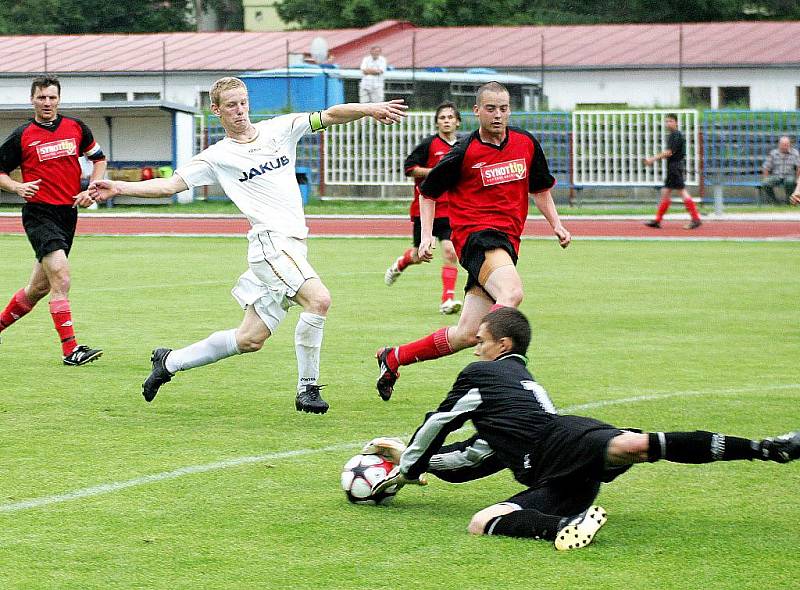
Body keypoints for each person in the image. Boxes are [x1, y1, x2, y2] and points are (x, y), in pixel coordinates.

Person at [89, 76, 407, 413]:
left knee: (249, 339)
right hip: (269, 245)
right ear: (216, 111)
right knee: (319, 300)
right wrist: (121, 189)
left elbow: (330, 114)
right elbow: (171, 186)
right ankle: (307, 388)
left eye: (242, 102)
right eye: (231, 105)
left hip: (293, 246)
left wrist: (369, 109)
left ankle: (168, 362)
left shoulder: (279, 129)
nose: (239, 110)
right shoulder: (217, 156)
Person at [367, 307, 800, 551]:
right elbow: (476, 457)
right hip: (559, 473)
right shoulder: (518, 391)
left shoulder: (483, 376)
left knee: (637, 445)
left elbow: (438, 423)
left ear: (503, 345)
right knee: (483, 521)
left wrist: (406, 467)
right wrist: (409, 459)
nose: (474, 346)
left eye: (480, 340)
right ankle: (566, 525)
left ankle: (768, 449)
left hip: (560, 443)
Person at [374, 81, 570, 401]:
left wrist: (557, 224)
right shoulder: (463, 151)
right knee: (512, 292)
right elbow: (428, 192)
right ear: (476, 111)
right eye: (490, 109)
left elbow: (540, 188)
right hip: (476, 237)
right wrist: (426, 237)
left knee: (466, 333)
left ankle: (394, 358)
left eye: (503, 109)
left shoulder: (525, 143)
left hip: (508, 239)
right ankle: (493, 374)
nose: (497, 115)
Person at [0, 76, 106, 365]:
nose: (47, 103)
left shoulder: (76, 128)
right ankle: (71, 350)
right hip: (38, 213)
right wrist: (17, 187)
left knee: (38, 288)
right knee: (61, 275)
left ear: (59, 99)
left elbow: (99, 159)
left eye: (52, 97)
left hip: (67, 213)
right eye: (41, 98)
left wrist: (93, 188)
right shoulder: (22, 135)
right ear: (32, 100)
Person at [384, 102, 463, 314]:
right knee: (420, 256)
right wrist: (434, 172)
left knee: (450, 251)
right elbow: (409, 169)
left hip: (449, 209)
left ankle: (447, 300)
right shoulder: (428, 145)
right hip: (425, 210)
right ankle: (401, 263)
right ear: (437, 122)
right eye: (442, 117)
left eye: (450, 117)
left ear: (458, 122)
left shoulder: (462, 147)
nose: (446, 121)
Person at [643, 114, 702, 230]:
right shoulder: (673, 135)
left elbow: (669, 152)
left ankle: (695, 219)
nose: (668, 123)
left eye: (670, 121)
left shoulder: (676, 135)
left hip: (675, 167)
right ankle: (657, 220)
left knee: (682, 192)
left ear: (676, 122)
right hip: (673, 167)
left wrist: (652, 159)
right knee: (665, 192)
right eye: (666, 121)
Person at [760, 136, 800, 205]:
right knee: (765, 183)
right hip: (776, 176)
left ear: (789, 145)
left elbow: (798, 167)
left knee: (790, 182)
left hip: (789, 175)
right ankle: (774, 202)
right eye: (783, 145)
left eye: (786, 145)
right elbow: (766, 167)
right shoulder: (773, 153)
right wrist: (765, 178)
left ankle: (789, 201)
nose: (784, 147)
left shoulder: (795, 153)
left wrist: (797, 179)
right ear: (779, 144)